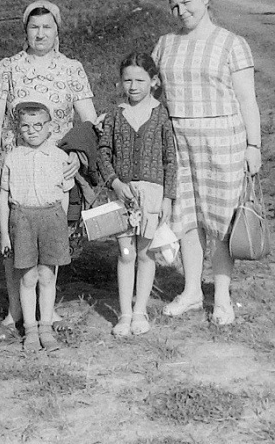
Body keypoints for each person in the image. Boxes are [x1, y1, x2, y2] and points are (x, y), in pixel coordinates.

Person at [153, 0, 262, 326]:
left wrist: (254, 145)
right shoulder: (165, 44)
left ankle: (223, 297)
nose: (181, 11)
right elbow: (154, 94)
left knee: (221, 221)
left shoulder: (231, 43)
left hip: (223, 141)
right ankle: (191, 291)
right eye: (174, 6)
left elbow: (247, 99)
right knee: (185, 218)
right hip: (178, 141)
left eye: (187, 2)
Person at [0, 1, 97, 342]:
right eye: (34, 27)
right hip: (14, 164)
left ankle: (47, 312)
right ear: (25, 31)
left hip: (54, 167)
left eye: (47, 26)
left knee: (50, 237)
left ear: (57, 30)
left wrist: (77, 158)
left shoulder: (72, 69)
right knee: (15, 236)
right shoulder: (8, 67)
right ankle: (15, 312)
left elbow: (90, 120)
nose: (40, 33)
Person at [98, 53, 176, 337]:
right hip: (123, 196)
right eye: (128, 79)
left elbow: (171, 158)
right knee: (126, 252)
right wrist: (115, 183)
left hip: (152, 196)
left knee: (145, 253)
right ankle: (125, 314)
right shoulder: (115, 114)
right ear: (120, 82)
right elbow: (103, 152)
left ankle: (140, 311)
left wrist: (169, 197)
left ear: (153, 82)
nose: (133, 86)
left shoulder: (161, 113)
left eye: (140, 80)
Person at [0, 100, 73, 352]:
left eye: (38, 125)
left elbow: (65, 193)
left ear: (49, 127)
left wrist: (60, 224)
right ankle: (30, 329)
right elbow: (4, 198)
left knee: (47, 274)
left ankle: (46, 326)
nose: (32, 131)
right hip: (23, 220)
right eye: (26, 126)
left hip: (51, 219)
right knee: (28, 276)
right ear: (18, 128)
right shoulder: (12, 157)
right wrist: (6, 236)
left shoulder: (59, 157)